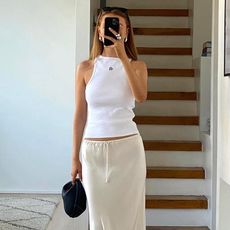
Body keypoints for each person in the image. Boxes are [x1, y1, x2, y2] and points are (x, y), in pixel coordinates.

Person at [71, 6, 148, 230]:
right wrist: (74, 158)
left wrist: (123, 56)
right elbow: (79, 115)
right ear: (98, 30)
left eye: (118, 25)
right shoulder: (85, 68)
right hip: (93, 151)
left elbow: (141, 96)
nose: (112, 29)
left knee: (129, 218)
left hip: (128, 151)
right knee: (98, 219)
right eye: (106, 24)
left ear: (126, 31)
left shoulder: (137, 66)